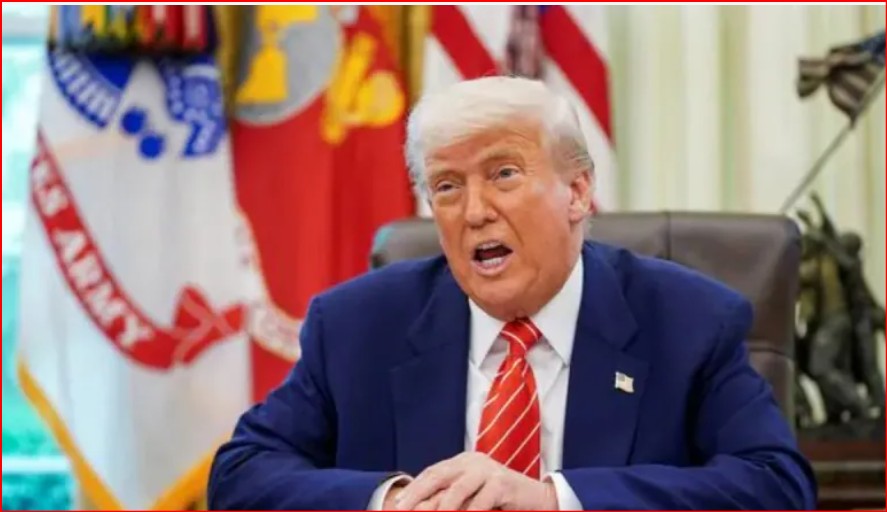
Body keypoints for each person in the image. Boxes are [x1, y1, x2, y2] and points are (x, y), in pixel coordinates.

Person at [208, 76, 817, 510]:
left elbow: (775, 485)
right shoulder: (358, 324)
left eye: (503, 174)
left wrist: (555, 500)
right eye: (447, 187)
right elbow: (241, 474)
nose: (475, 211)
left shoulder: (688, 320)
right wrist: (391, 501)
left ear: (578, 192)